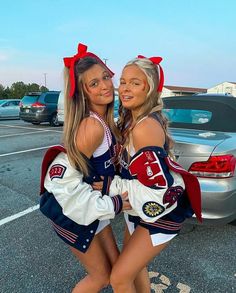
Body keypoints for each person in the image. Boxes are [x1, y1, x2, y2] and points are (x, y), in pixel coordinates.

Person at [39, 43, 130, 293]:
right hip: (70, 211)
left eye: (105, 77)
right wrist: (115, 203)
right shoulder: (92, 127)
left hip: (90, 206)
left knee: (116, 271)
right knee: (100, 277)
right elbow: (63, 185)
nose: (104, 85)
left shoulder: (106, 122)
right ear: (83, 93)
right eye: (93, 84)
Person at [108, 55, 202, 292]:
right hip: (140, 207)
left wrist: (109, 187)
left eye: (135, 83)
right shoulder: (132, 119)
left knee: (119, 278)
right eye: (123, 81)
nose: (125, 88)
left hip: (160, 210)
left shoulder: (145, 128)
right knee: (136, 267)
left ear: (149, 89)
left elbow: (158, 191)